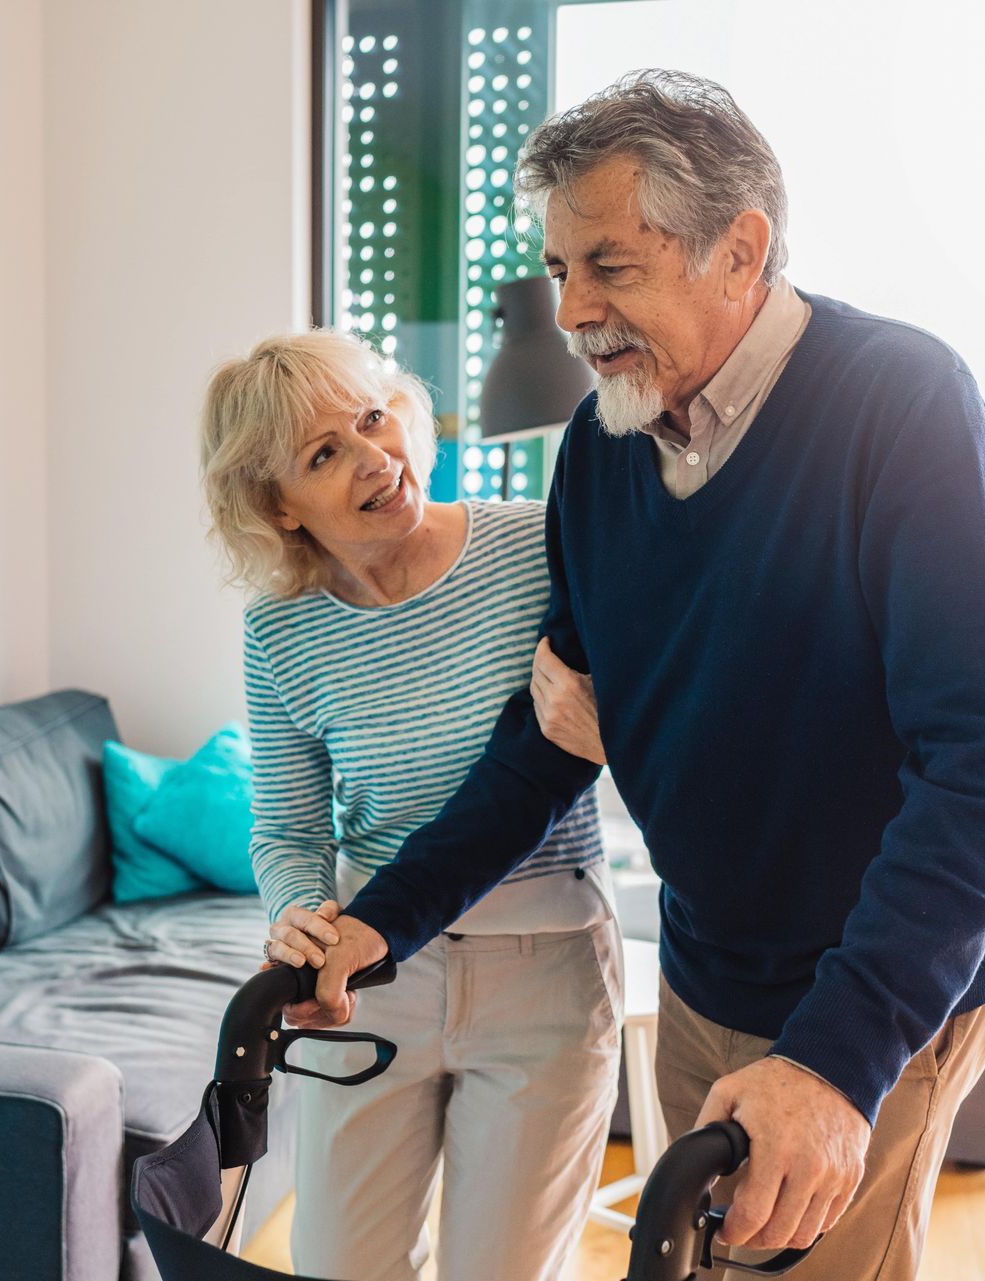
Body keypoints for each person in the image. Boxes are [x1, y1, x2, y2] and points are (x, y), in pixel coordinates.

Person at [304, 69, 985, 1281]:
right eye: (557, 271)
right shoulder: (600, 450)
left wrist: (834, 1061)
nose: (572, 310)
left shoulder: (899, 402)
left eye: (611, 265)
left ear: (740, 250)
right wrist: (378, 925)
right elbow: (550, 739)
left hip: (874, 985)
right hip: (706, 966)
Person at [198, 329, 621, 1281]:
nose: (372, 459)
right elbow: (288, 824)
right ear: (278, 505)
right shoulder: (281, 632)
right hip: (375, 979)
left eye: (371, 418)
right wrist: (299, 914)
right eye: (323, 454)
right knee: (341, 1264)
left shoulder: (532, 547)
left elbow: (590, 737)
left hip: (546, 968)